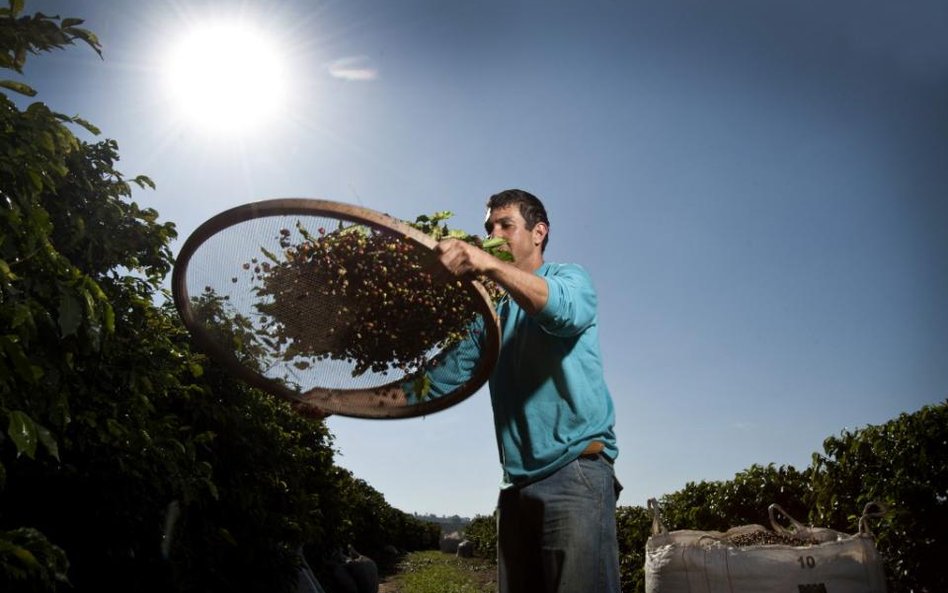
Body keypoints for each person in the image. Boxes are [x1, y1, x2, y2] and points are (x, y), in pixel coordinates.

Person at [434, 189, 621, 593]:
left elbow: (564, 312)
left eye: (506, 225)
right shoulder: (489, 313)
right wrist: (338, 399)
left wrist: (486, 263)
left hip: (576, 475)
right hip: (515, 488)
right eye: (488, 228)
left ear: (539, 232)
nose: (493, 235)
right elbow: (438, 380)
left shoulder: (569, 278)